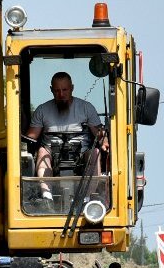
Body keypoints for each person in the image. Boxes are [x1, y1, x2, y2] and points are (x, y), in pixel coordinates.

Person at [24, 71, 108, 204]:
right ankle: (47, 197)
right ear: (51, 90)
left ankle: (87, 198)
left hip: (81, 154)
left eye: (65, 90)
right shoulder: (42, 110)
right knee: (41, 151)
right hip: (51, 152)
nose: (61, 94)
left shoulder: (86, 108)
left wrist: (104, 140)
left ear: (72, 88)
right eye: (57, 90)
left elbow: (99, 135)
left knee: (95, 153)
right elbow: (31, 137)